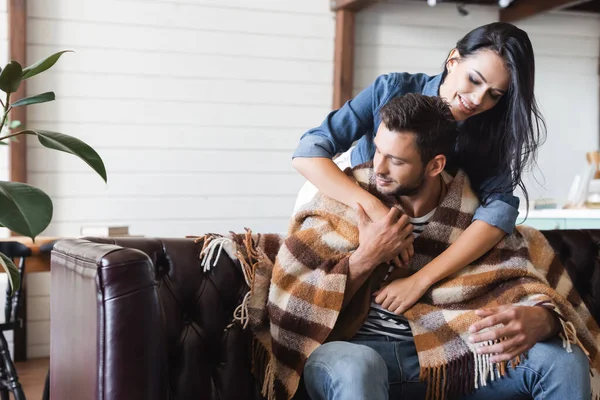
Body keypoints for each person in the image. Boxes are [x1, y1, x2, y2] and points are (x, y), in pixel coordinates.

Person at [302, 93, 590, 400]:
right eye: (377, 151)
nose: (379, 168)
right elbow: (302, 305)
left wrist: (546, 319)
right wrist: (366, 257)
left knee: (562, 360)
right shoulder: (345, 198)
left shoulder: (473, 216)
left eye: (396, 160)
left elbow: (515, 282)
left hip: (450, 356)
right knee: (357, 366)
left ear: (435, 165)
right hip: (355, 351)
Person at [291, 22, 546, 316]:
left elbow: (500, 210)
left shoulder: (491, 132)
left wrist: (421, 280)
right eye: (474, 80)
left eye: (495, 95)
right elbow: (308, 152)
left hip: (429, 244)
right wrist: (376, 210)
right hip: (354, 210)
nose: (478, 100)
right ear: (453, 60)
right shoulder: (391, 89)